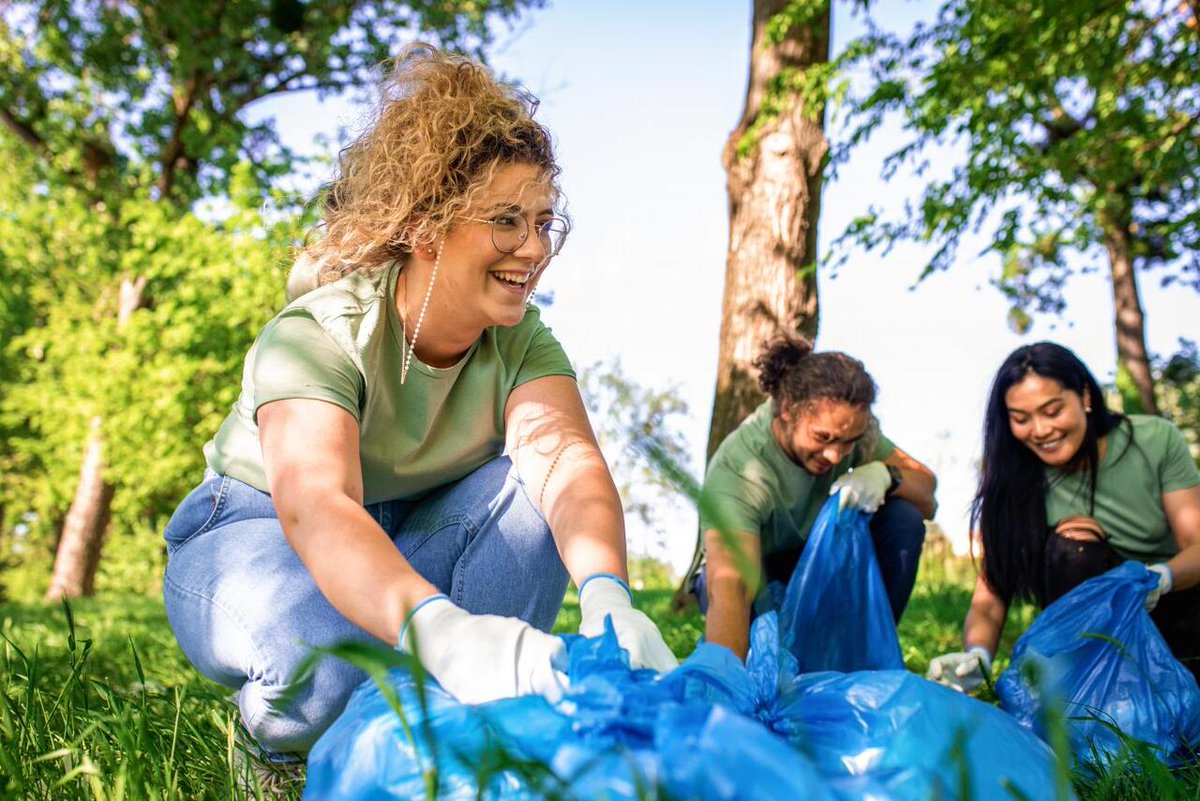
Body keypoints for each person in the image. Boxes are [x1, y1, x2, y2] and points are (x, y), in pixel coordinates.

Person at [160, 43, 677, 765]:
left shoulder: (524, 344)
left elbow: (565, 461)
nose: (533, 247)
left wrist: (607, 594)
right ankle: (276, 743)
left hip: (406, 539)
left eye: (544, 221)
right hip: (256, 536)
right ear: (428, 226)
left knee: (532, 498)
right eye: (506, 220)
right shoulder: (318, 334)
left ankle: (447, 730)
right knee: (329, 662)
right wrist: (441, 629)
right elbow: (319, 505)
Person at [928, 342, 1200, 691]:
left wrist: (1159, 577)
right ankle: (1097, 697)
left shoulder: (1153, 440)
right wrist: (977, 656)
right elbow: (989, 596)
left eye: (1053, 410)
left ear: (1085, 396)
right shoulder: (1015, 478)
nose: (1040, 430)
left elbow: (1195, 546)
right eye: (1021, 419)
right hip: (1089, 631)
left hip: (1171, 609)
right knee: (1075, 543)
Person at [696, 333, 937, 660]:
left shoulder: (856, 437)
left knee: (903, 520)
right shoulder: (740, 468)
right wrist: (729, 683)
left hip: (820, 564)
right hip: (756, 574)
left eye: (848, 441)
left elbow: (927, 495)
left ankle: (862, 662)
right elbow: (732, 587)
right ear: (787, 411)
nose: (836, 456)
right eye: (822, 437)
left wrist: (887, 475)